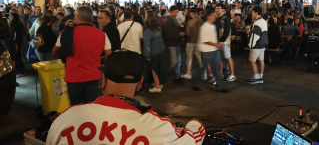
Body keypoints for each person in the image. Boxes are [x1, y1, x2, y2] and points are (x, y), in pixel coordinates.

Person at [46, 50, 205, 145]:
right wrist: (193, 124)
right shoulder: (160, 129)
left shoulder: (67, 118)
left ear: (104, 80)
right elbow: (193, 137)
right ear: (139, 84)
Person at [52, 6, 112, 105]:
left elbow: (54, 51)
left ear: (79, 17)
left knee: (75, 106)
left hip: (74, 76)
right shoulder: (102, 34)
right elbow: (109, 56)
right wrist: (98, 60)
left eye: (75, 16)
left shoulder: (67, 33)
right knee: (91, 107)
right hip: (94, 75)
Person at [191, 9, 229, 93]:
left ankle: (220, 87)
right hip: (206, 51)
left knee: (217, 70)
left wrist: (217, 44)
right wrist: (218, 45)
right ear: (208, 16)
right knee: (201, 69)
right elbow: (206, 41)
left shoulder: (212, 26)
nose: (214, 17)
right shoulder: (204, 27)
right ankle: (194, 84)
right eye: (213, 15)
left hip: (214, 50)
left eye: (214, 15)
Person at [143, 14, 168, 93]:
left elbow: (147, 45)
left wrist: (147, 55)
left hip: (154, 52)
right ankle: (160, 84)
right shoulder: (158, 27)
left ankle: (157, 87)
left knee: (154, 69)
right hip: (162, 49)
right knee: (161, 68)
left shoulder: (147, 31)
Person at [162, 6, 183, 83]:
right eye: (175, 12)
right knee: (173, 61)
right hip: (171, 44)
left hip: (175, 43)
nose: (177, 13)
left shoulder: (174, 19)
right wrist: (179, 34)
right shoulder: (168, 21)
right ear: (171, 12)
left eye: (177, 12)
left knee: (178, 61)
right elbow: (167, 34)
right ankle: (163, 74)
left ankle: (177, 77)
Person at [215, 3, 236, 81]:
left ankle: (232, 74)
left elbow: (227, 31)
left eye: (219, 8)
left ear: (223, 9)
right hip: (219, 41)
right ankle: (221, 73)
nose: (217, 10)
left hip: (225, 41)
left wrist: (222, 40)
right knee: (221, 58)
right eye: (216, 8)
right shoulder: (217, 18)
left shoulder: (226, 18)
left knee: (228, 57)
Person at [248, 6, 268, 84]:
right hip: (263, 44)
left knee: (252, 61)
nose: (252, 13)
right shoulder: (263, 21)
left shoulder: (257, 23)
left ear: (256, 13)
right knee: (261, 60)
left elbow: (255, 36)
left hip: (257, 45)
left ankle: (257, 77)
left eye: (253, 12)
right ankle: (261, 75)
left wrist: (250, 45)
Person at [182, 8, 203, 80]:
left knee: (189, 58)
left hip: (190, 42)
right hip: (199, 42)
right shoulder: (201, 20)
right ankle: (204, 74)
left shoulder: (190, 22)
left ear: (191, 13)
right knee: (200, 59)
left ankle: (188, 73)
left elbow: (187, 32)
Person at [9, 13, 25, 77]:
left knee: (17, 57)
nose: (9, 17)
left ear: (14, 17)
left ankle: (20, 71)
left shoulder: (15, 25)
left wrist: (13, 43)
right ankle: (20, 70)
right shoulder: (18, 25)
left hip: (16, 43)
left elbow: (15, 36)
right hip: (18, 42)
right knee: (18, 57)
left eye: (11, 16)